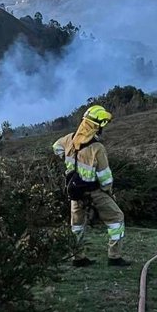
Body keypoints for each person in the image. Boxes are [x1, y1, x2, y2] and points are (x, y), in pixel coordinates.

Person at [52, 105, 130, 267]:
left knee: (77, 226)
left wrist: (67, 160)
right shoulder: (97, 148)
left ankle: (78, 258)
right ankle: (114, 257)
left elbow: (56, 147)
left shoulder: (69, 139)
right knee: (116, 219)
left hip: (74, 192)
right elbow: (105, 177)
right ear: (96, 126)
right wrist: (109, 192)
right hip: (94, 192)